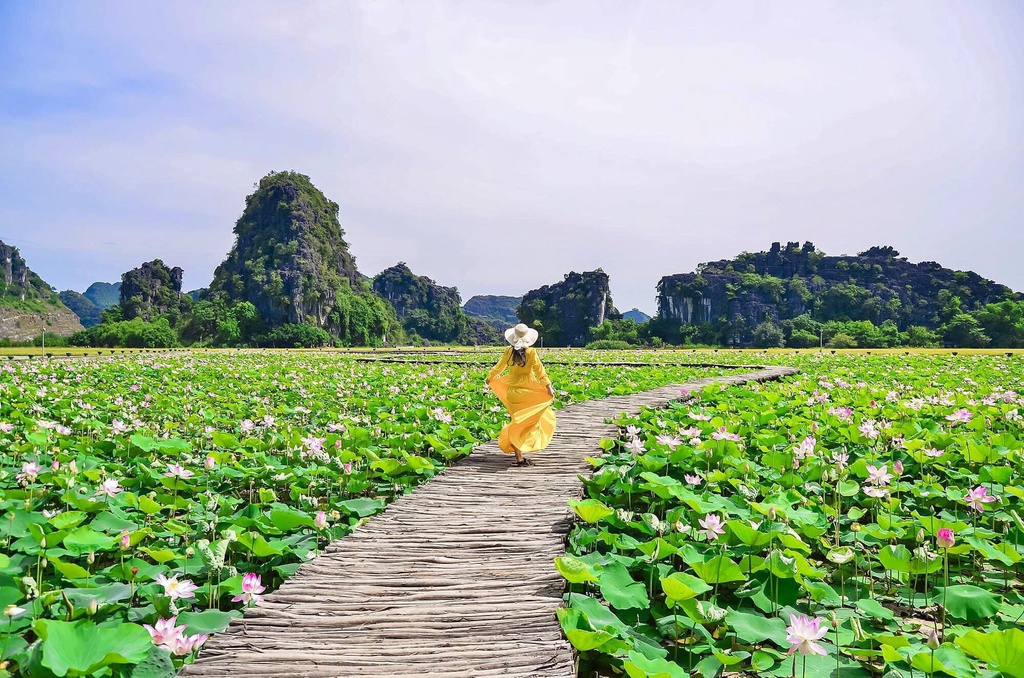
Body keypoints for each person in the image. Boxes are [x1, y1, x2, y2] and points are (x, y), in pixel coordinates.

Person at [485, 323, 557, 467]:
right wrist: (548, 387)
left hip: (513, 392)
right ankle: (526, 445)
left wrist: (490, 378)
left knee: (516, 422)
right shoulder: (531, 352)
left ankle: (519, 457)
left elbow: (498, 368)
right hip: (529, 391)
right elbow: (540, 371)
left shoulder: (508, 352)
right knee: (532, 420)